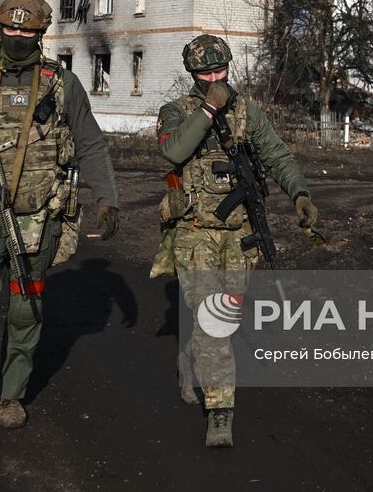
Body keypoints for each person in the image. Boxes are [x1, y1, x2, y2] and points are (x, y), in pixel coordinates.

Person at [0, 0, 121, 452]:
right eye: (10, 28)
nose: (18, 36)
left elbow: (91, 143)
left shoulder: (62, 84)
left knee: (25, 310)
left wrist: (108, 199)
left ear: (41, 34)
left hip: (40, 219)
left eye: (28, 30)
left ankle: (12, 394)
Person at [150, 34, 318, 448]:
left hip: (240, 234)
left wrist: (299, 193)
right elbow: (174, 153)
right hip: (196, 233)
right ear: (192, 75)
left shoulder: (247, 112)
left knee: (227, 316)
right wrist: (209, 108)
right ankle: (221, 414)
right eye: (205, 73)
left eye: (220, 70)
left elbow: (277, 154)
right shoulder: (177, 111)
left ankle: (191, 357)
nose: (215, 77)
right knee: (213, 322)